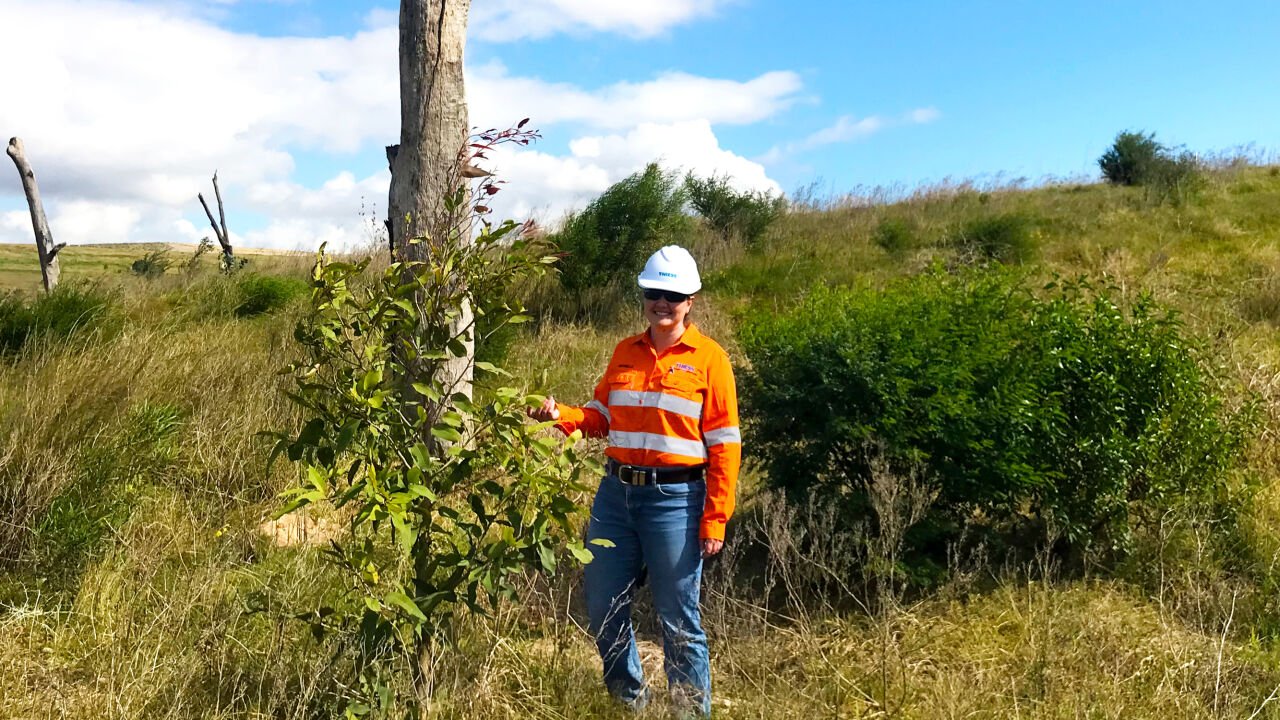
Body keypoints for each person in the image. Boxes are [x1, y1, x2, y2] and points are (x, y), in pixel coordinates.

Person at [528, 245, 741, 716]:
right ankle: (632, 706)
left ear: (691, 300)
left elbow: (725, 445)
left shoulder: (710, 360)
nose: (661, 303)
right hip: (615, 497)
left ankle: (688, 712)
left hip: (677, 500)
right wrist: (559, 414)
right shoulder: (625, 351)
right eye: (653, 293)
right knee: (603, 607)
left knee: (678, 621)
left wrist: (715, 519)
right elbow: (603, 415)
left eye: (672, 294)